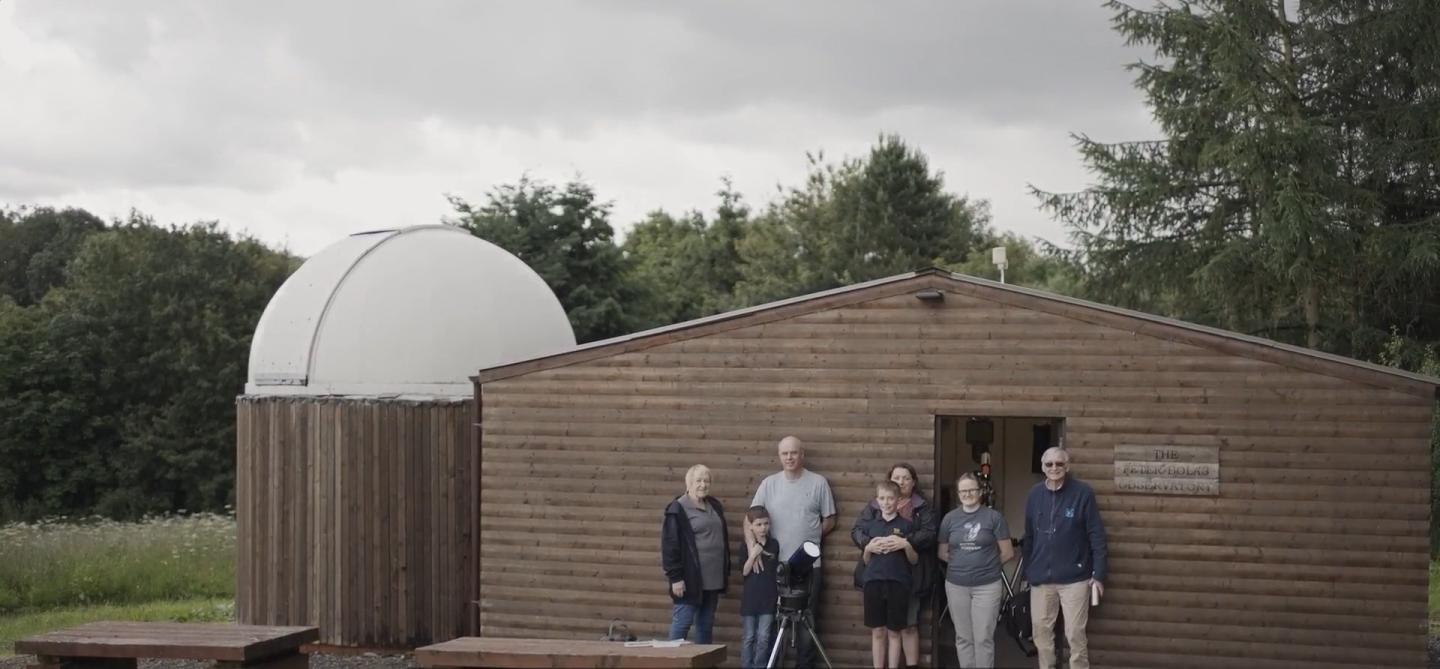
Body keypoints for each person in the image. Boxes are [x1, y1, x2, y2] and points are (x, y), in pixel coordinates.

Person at [751, 435, 837, 669]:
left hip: (809, 568)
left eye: (794, 453)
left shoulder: (818, 482)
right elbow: (749, 518)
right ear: (779, 456)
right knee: (774, 624)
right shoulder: (769, 484)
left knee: (807, 623)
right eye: (784, 453)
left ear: (802, 455)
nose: (789, 457)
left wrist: (812, 538)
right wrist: (754, 549)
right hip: (776, 566)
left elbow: (830, 519)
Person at [1023, 447, 1107, 669]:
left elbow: (1096, 536)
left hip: (1075, 579)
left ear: (1067, 466)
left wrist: (1098, 574)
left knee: (1075, 635)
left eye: (1059, 464)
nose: (1054, 468)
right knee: (1041, 633)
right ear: (1042, 467)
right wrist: (1029, 571)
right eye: (1049, 464)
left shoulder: (1083, 493)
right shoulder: (1034, 494)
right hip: (1041, 579)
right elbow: (1029, 537)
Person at [849, 462, 937, 669]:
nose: (901, 481)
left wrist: (906, 542)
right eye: (897, 477)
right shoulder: (873, 508)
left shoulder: (922, 507)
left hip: (909, 573)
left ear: (913, 482)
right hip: (878, 573)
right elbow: (858, 531)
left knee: (908, 625)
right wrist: (868, 544)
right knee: (880, 629)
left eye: (906, 478)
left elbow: (929, 533)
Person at [938, 473, 1014, 668]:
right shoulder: (949, 519)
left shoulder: (994, 517)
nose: (967, 494)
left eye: (971, 490)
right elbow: (942, 552)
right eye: (963, 491)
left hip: (987, 586)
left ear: (980, 492)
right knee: (963, 637)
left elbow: (1007, 552)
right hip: (956, 585)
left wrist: (985, 567)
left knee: (983, 638)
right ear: (958, 493)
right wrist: (961, 565)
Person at [661, 464, 730, 644]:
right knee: (682, 624)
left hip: (713, 580)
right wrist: (675, 577)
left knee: (705, 626)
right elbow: (670, 546)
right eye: (698, 480)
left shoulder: (714, 505)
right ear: (689, 483)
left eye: (706, 481)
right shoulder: (677, 509)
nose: (703, 484)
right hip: (689, 580)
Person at [858, 480, 917, 669]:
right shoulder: (870, 526)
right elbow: (866, 560)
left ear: (898, 500)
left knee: (894, 632)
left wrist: (905, 545)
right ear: (877, 500)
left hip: (898, 583)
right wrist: (868, 548)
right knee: (877, 632)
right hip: (873, 583)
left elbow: (914, 560)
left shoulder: (907, 525)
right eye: (882, 498)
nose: (886, 502)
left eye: (890, 498)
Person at [739, 506, 781, 669]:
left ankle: (760, 666)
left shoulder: (774, 545)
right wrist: (753, 554)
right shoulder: (745, 546)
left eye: (766, 524)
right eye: (758, 524)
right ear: (750, 526)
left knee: (764, 637)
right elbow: (744, 571)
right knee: (749, 637)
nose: (763, 528)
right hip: (750, 599)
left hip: (768, 597)